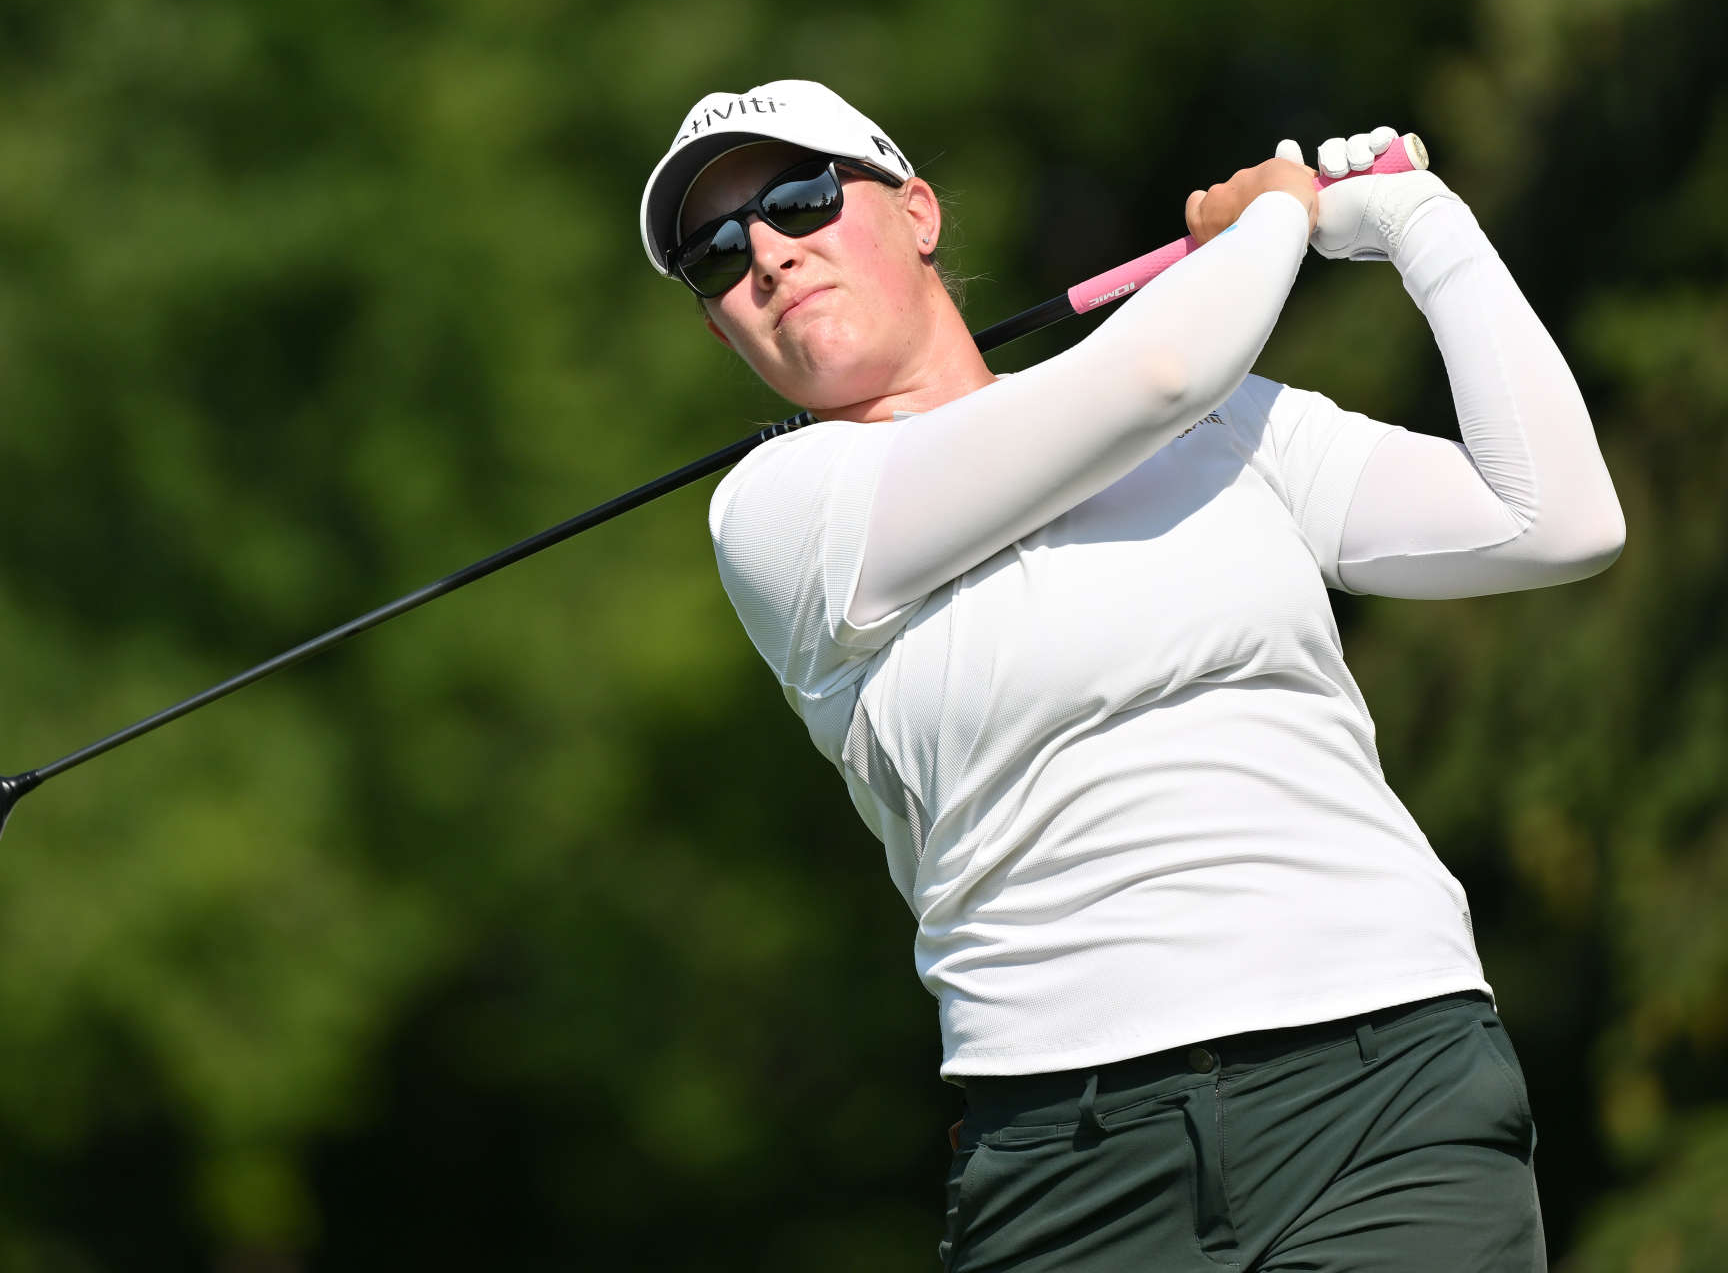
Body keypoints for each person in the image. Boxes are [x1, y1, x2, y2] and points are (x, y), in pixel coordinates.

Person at [637, 79, 1624, 1272]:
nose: (771, 255)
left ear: (918, 212)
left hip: (1390, 1097)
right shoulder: (779, 513)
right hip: (1072, 1159)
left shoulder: (1224, 428)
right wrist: (1273, 216)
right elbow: (1156, 372)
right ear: (717, 322)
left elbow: (1555, 517)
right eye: (718, 253)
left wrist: (1423, 225)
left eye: (801, 199)